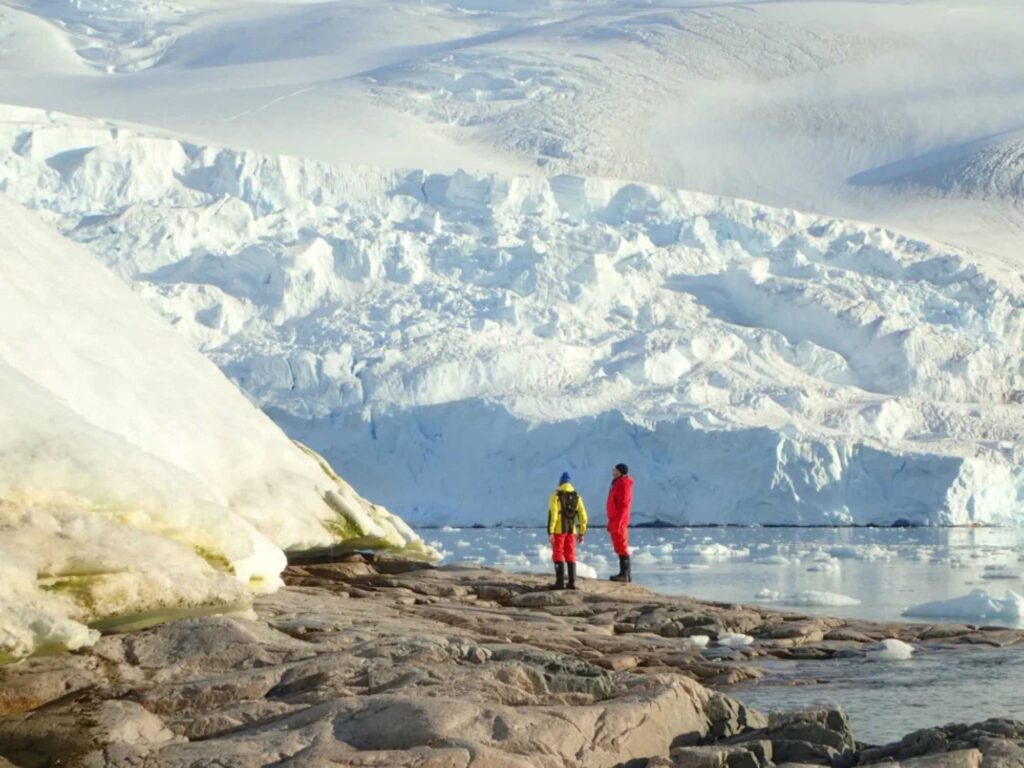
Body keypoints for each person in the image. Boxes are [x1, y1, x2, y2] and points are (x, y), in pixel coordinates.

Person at [547, 472, 588, 590]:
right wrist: (581, 532)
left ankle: (559, 582)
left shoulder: (556, 496)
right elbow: (583, 517)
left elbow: (553, 515)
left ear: (560, 482)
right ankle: (572, 583)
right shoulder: (577, 497)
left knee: (558, 554)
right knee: (570, 554)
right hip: (572, 531)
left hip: (559, 530)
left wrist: (550, 531)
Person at [607, 463, 634, 582]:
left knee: (622, 545)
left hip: (619, 520)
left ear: (620, 472)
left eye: (615, 469)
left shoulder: (623, 484)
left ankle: (625, 574)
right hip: (615, 519)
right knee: (618, 545)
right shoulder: (617, 483)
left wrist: (619, 521)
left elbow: (624, 504)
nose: (613, 470)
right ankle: (624, 574)